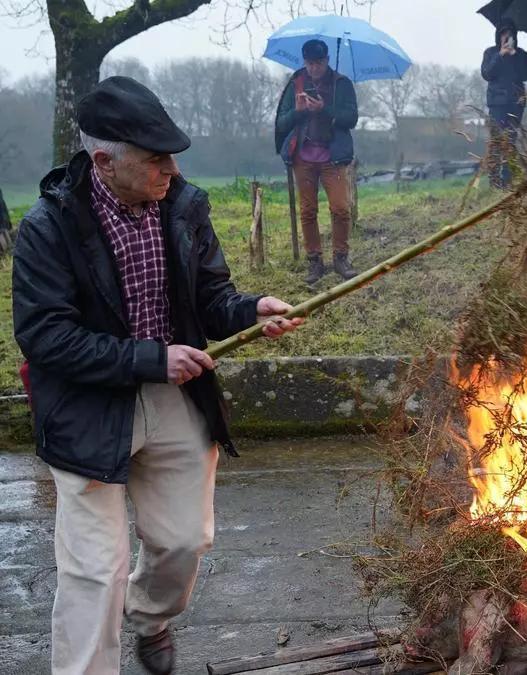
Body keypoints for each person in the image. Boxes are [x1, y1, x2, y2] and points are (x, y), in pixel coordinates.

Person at [11, 76, 303, 675]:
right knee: (95, 572)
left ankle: (148, 615)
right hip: (87, 407)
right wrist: (149, 358)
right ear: (104, 162)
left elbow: (211, 297)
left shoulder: (184, 206)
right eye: (155, 159)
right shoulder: (49, 226)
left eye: (171, 155)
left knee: (183, 541)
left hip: (175, 395)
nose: (171, 169)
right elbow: (45, 337)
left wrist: (250, 310)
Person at [274, 39, 360, 284]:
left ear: (327, 60)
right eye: (310, 63)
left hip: (333, 156)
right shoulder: (296, 83)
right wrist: (299, 111)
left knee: (340, 208)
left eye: (319, 63)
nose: (314, 68)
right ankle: (315, 261)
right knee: (308, 210)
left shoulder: (342, 84)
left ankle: (341, 258)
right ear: (304, 62)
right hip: (303, 156)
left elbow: (351, 118)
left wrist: (325, 109)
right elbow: (281, 122)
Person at [482, 18, 527, 188]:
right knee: (496, 140)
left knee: (511, 139)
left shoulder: (521, 54)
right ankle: (494, 180)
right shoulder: (490, 53)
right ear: (498, 35)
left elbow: (526, 75)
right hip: (497, 103)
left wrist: (515, 56)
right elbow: (487, 73)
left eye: (509, 33)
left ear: (514, 36)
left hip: (516, 103)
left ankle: (507, 180)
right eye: (503, 33)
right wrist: (500, 55)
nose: (506, 36)